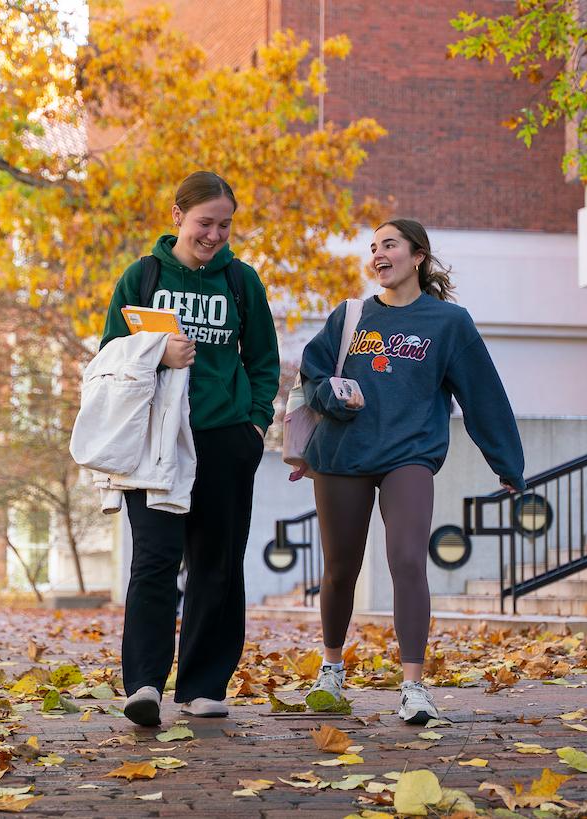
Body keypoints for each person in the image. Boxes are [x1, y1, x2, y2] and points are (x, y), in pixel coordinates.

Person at [299, 218, 526, 725]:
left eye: (390, 245)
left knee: (407, 560)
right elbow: (312, 374)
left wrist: (507, 463)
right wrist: (330, 397)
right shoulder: (350, 316)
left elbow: (483, 394)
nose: (378, 254)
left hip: (410, 454)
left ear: (418, 256)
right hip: (343, 455)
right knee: (340, 568)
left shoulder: (448, 323)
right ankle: (331, 671)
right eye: (373, 247)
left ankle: (414, 687)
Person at [101, 171, 280, 726]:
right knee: (154, 560)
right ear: (178, 216)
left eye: (225, 225)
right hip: (155, 441)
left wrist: (254, 427)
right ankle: (146, 684)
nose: (215, 235)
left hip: (225, 439)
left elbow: (263, 361)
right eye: (206, 223)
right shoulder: (143, 275)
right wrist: (158, 354)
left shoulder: (243, 282)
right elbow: (109, 354)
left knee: (217, 563)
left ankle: (204, 685)